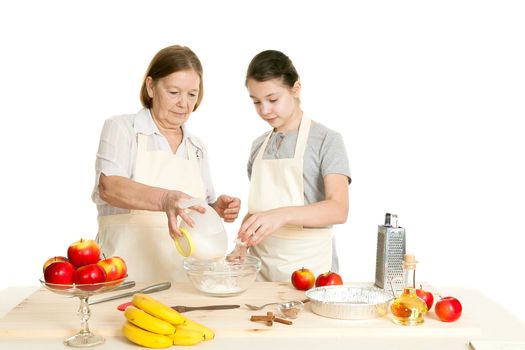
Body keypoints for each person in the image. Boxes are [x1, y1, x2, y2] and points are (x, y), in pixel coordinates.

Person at [92, 45, 240, 282]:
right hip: (125, 277)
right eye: (174, 92)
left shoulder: (197, 147)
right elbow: (109, 187)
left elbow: (199, 207)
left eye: (192, 94)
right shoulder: (122, 129)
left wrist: (215, 209)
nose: (184, 103)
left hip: (185, 282)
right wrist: (164, 199)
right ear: (151, 86)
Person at [231, 50, 351, 281]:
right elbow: (257, 210)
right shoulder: (259, 146)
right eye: (256, 102)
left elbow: (339, 209)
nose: (264, 110)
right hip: (260, 271)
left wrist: (281, 215)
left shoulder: (327, 140)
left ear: (295, 89)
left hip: (312, 270)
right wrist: (240, 245)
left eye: (273, 99)